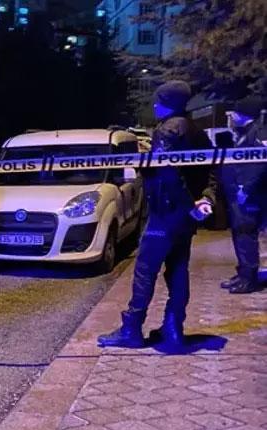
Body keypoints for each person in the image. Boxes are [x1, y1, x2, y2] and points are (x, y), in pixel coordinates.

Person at [98, 80, 216, 350]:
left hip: (166, 213)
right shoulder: (196, 130)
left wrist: (188, 205)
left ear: (169, 104)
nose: (154, 105)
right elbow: (209, 169)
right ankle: (173, 329)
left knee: (145, 270)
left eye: (159, 101)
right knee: (178, 269)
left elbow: (169, 175)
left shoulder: (166, 131)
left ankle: (132, 329)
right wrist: (205, 200)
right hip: (186, 218)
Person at [210, 97, 266, 294]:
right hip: (238, 193)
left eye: (235, 113)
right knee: (240, 233)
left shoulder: (258, 133)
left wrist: (246, 189)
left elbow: (260, 165)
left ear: (244, 115)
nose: (232, 116)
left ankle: (249, 279)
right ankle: (243, 273)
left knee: (245, 233)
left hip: (249, 195)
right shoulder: (244, 133)